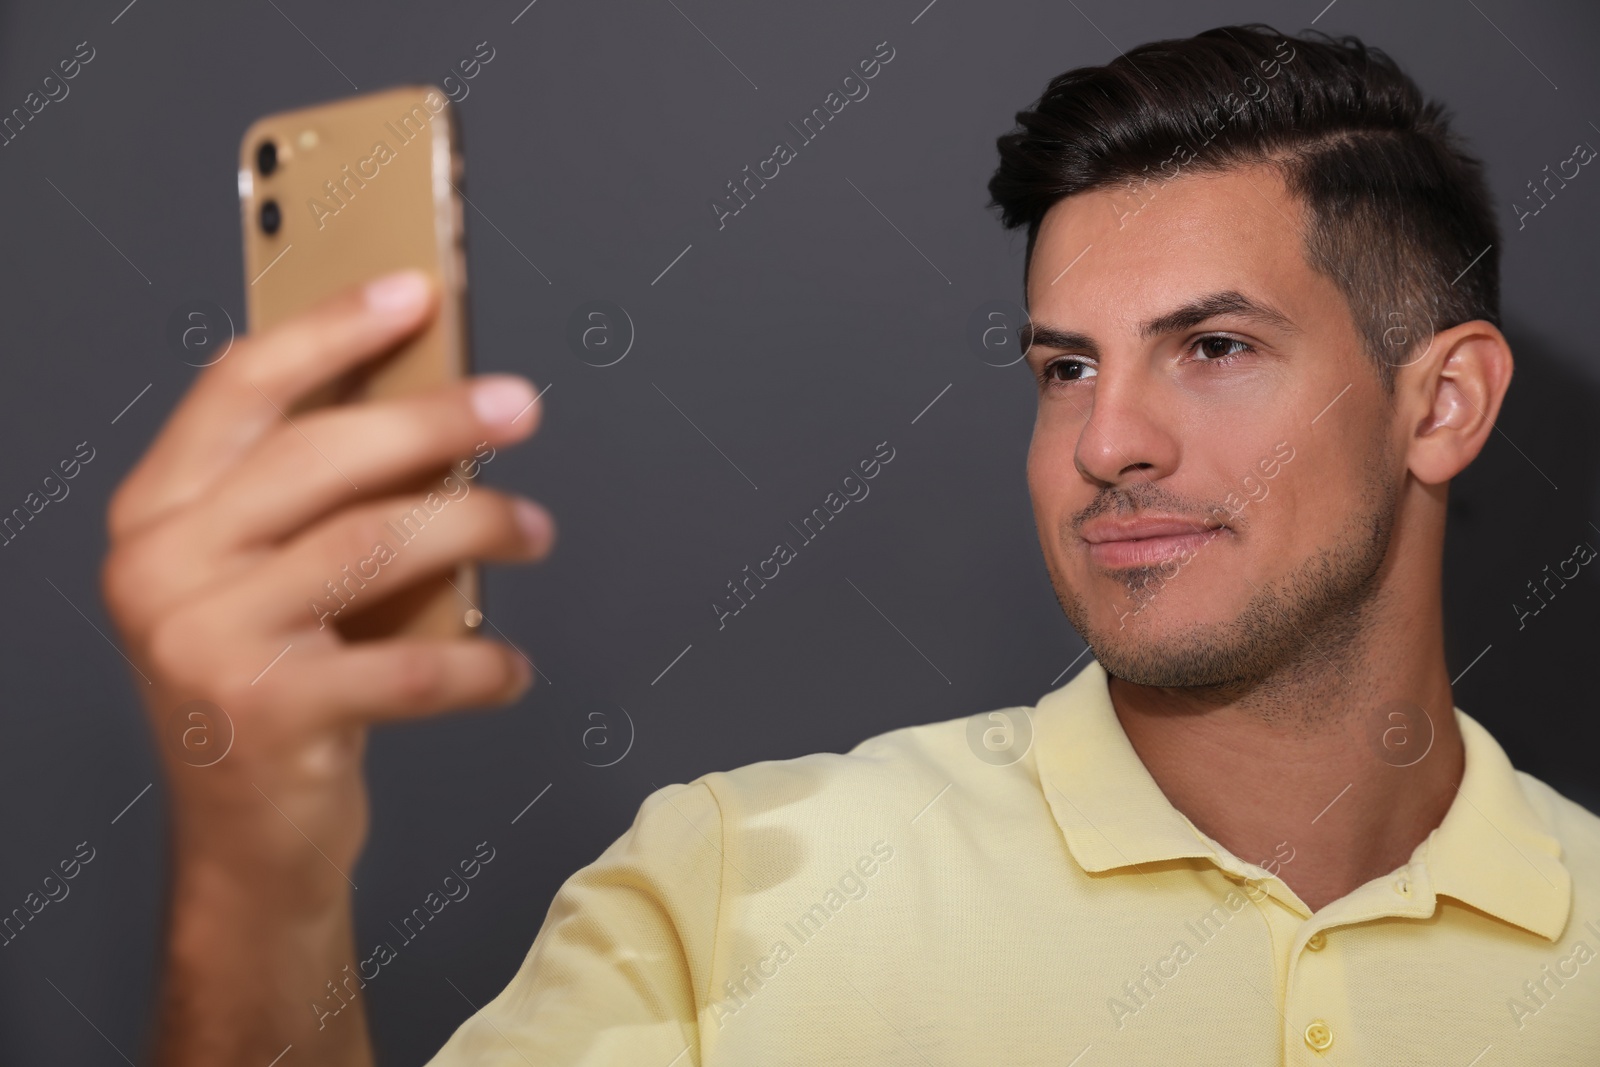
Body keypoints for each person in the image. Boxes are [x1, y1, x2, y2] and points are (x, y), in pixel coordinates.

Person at [103, 22, 1600, 1066]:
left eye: (1211, 347)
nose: (1104, 442)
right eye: (1065, 367)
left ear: (1443, 403)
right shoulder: (728, 889)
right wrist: (254, 869)